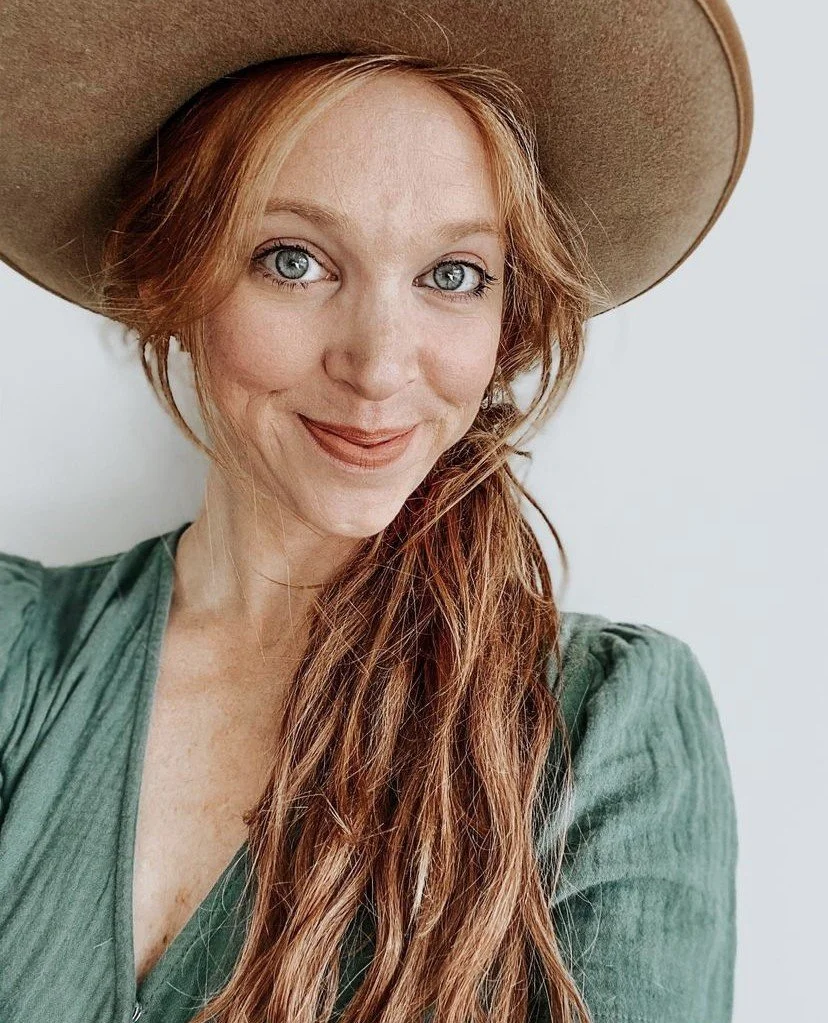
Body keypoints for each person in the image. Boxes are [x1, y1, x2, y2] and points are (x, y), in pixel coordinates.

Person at [0, 4, 753, 1023]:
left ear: (507, 320)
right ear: (169, 274)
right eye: (294, 260)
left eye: (454, 275)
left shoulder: (604, 725)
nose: (379, 365)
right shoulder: (16, 656)